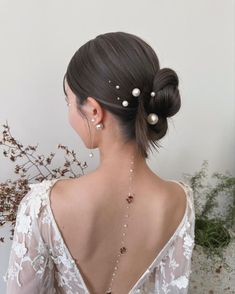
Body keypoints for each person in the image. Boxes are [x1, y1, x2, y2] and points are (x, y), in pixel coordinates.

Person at [3, 31, 195, 293]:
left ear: (94, 110)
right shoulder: (179, 201)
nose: (69, 113)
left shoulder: (43, 206)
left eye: (69, 101)